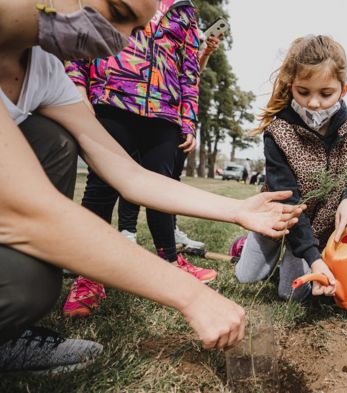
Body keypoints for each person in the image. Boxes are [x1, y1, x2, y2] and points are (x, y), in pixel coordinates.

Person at [0, 0, 302, 374]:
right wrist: (189, 295)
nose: (123, 41)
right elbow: (30, 214)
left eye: (137, 27)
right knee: (30, 285)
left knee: (53, 138)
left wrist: (236, 210)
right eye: (118, 10)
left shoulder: (42, 70)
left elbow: (130, 174)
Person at [62, 0, 218, 317]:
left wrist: (188, 118)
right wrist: (77, 83)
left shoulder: (184, 10)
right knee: (101, 188)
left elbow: (188, 68)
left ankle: (171, 262)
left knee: (162, 190)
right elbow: (79, 35)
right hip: (111, 101)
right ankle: (89, 276)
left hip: (164, 111)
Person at [234, 35, 347, 301]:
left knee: (291, 294)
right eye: (303, 92)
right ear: (291, 86)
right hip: (281, 220)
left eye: (326, 93)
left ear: (344, 89)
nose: (314, 103)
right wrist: (314, 259)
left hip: (318, 230)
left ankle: (293, 259)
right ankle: (244, 247)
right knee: (246, 277)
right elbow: (289, 201)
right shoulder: (278, 132)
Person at [115, 31, 223, 250]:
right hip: (146, 106)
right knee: (136, 172)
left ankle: (170, 229)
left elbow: (191, 74)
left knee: (170, 178)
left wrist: (206, 53)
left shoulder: (187, 24)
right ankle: (127, 231)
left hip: (177, 114)